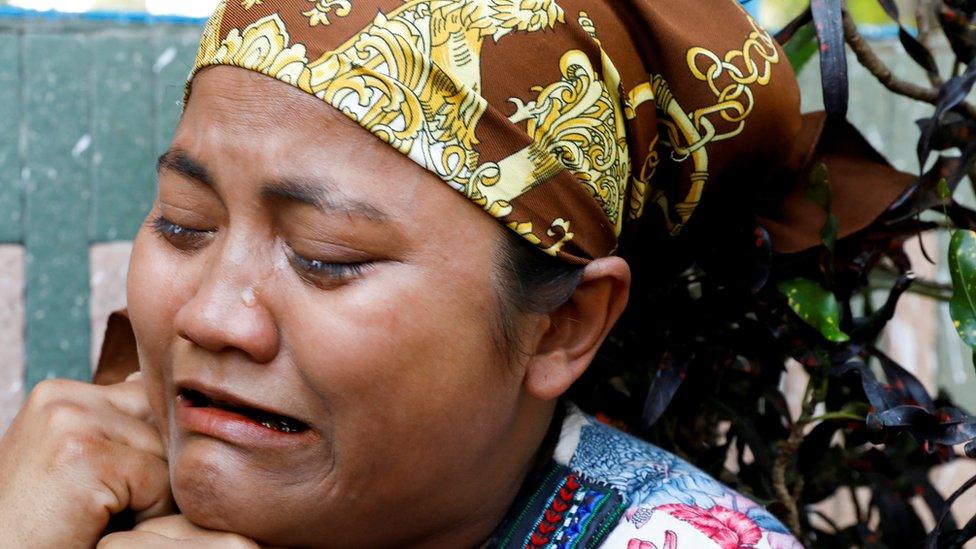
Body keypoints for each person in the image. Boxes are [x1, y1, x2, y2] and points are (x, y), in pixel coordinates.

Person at [0, 0, 910, 547]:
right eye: (184, 224)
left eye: (327, 255)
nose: (210, 315)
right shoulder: (62, 493)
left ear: (561, 326)